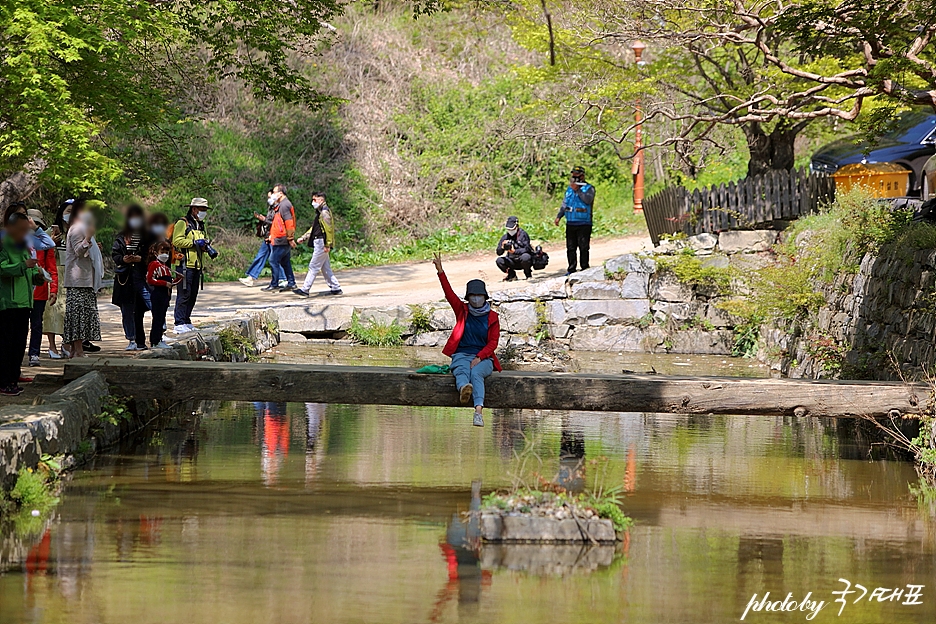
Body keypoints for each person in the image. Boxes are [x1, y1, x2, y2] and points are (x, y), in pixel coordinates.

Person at [432, 252, 501, 427]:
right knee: (461, 370)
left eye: (479, 296)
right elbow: (449, 294)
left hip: (484, 357)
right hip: (462, 353)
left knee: (477, 373)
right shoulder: (462, 310)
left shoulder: (492, 317)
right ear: (468, 298)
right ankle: (464, 388)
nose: (476, 299)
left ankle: (478, 411)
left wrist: (480, 357)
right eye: (472, 296)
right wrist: (441, 271)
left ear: (485, 297)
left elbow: (493, 342)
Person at [0, 211, 42, 395]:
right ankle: (4, 381)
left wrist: (38, 276)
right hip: (9, 303)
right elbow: (2, 268)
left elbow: (29, 270)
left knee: (19, 344)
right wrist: (23, 266)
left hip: (25, 302)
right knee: (7, 344)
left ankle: (13, 378)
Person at [63, 201, 103, 359]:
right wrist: (88, 238)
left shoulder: (82, 227)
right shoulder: (77, 229)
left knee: (82, 316)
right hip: (78, 281)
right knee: (78, 317)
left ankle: (75, 351)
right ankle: (78, 350)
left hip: (85, 281)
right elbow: (78, 251)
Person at [172, 197, 215, 334]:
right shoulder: (183, 223)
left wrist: (204, 246)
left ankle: (186, 320)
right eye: (202, 210)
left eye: (205, 210)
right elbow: (176, 241)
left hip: (197, 265)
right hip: (185, 264)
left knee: (192, 294)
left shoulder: (201, 225)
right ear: (194, 209)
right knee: (184, 294)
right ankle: (179, 323)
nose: (203, 213)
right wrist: (194, 243)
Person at [112, 205, 152, 351]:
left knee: (148, 305)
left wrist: (140, 259)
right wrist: (124, 259)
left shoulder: (146, 237)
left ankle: (155, 335)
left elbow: (152, 255)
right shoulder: (120, 238)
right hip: (125, 279)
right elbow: (115, 255)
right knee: (127, 311)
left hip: (141, 277)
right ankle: (132, 340)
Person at [293, 191, 342, 297]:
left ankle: (305, 289)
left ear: (321, 200)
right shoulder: (320, 213)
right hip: (318, 241)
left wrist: (327, 244)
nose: (313, 202)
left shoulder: (324, 213)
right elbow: (314, 228)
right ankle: (335, 287)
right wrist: (304, 237)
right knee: (325, 267)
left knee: (313, 266)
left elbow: (328, 229)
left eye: (315, 200)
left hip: (321, 242)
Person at [42, 199, 73, 359]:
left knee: (68, 310)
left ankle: (66, 344)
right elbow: (40, 253)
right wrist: (51, 244)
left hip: (71, 274)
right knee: (52, 310)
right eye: (68, 211)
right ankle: (52, 346)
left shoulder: (75, 232)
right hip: (55, 274)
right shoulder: (49, 232)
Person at [27, 210, 58, 367]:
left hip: (39, 290)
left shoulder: (45, 244)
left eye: (37, 224)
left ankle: (34, 354)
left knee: (37, 324)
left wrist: (53, 289)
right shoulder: (18, 240)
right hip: (21, 290)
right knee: (18, 325)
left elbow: (51, 267)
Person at [554, 165, 595, 275]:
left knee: (583, 247)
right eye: (573, 176)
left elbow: (587, 200)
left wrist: (579, 190)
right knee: (570, 247)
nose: (575, 178)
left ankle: (585, 268)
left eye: (577, 176)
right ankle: (571, 269)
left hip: (584, 223)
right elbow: (564, 204)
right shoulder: (569, 189)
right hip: (571, 222)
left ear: (582, 176)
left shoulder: (589, 188)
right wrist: (559, 216)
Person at [261, 184, 296, 293]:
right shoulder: (281, 205)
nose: (273, 194)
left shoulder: (284, 205)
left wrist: (290, 238)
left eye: (275, 192)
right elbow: (277, 223)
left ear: (280, 193)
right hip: (279, 237)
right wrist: (271, 235)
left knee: (273, 261)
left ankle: (274, 283)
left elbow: (289, 223)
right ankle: (291, 283)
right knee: (285, 262)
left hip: (282, 239)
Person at [146, 240, 180, 349]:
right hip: (158, 294)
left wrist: (175, 280)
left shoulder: (165, 266)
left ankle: (159, 339)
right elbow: (150, 280)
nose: (165, 254)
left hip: (165, 295)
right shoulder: (154, 264)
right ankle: (155, 341)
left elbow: (169, 281)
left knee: (161, 318)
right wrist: (164, 283)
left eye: (167, 251)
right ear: (156, 253)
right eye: (162, 251)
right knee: (157, 318)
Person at [239, 189, 276, 287]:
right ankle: (251, 277)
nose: (269, 199)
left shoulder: (280, 208)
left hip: (275, 236)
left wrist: (264, 219)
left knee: (276, 258)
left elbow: (277, 224)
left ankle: (283, 278)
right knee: (260, 256)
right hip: (267, 235)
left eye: (270, 197)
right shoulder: (271, 208)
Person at [495, 216, 533, 281]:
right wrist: (502, 247)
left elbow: (527, 249)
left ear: (517, 226)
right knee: (499, 260)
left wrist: (515, 251)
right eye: (508, 229)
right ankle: (512, 275)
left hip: (522, 260)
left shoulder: (523, 235)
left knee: (526, 257)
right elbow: (498, 253)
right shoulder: (505, 237)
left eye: (512, 229)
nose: (510, 231)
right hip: (511, 260)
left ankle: (528, 274)